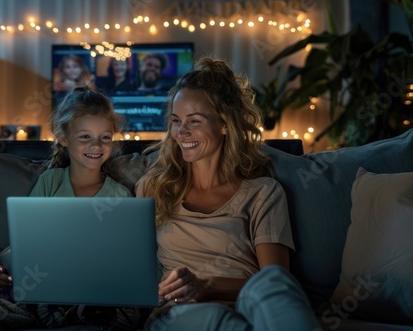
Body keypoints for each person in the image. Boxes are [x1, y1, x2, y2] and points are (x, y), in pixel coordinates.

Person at [135, 57, 320, 330]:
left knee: (272, 285)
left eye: (194, 121)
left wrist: (207, 285)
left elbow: (276, 281)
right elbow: (134, 271)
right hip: (180, 312)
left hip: (249, 307)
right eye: (176, 120)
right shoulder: (154, 187)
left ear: (224, 124)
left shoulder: (263, 192)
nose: (181, 132)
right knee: (216, 319)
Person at [0, 86, 131, 288]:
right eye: (85, 136)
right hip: (48, 282)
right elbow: (25, 238)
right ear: (64, 138)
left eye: (105, 137)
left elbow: (127, 255)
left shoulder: (121, 196)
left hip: (99, 286)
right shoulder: (50, 182)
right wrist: (6, 269)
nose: (96, 145)